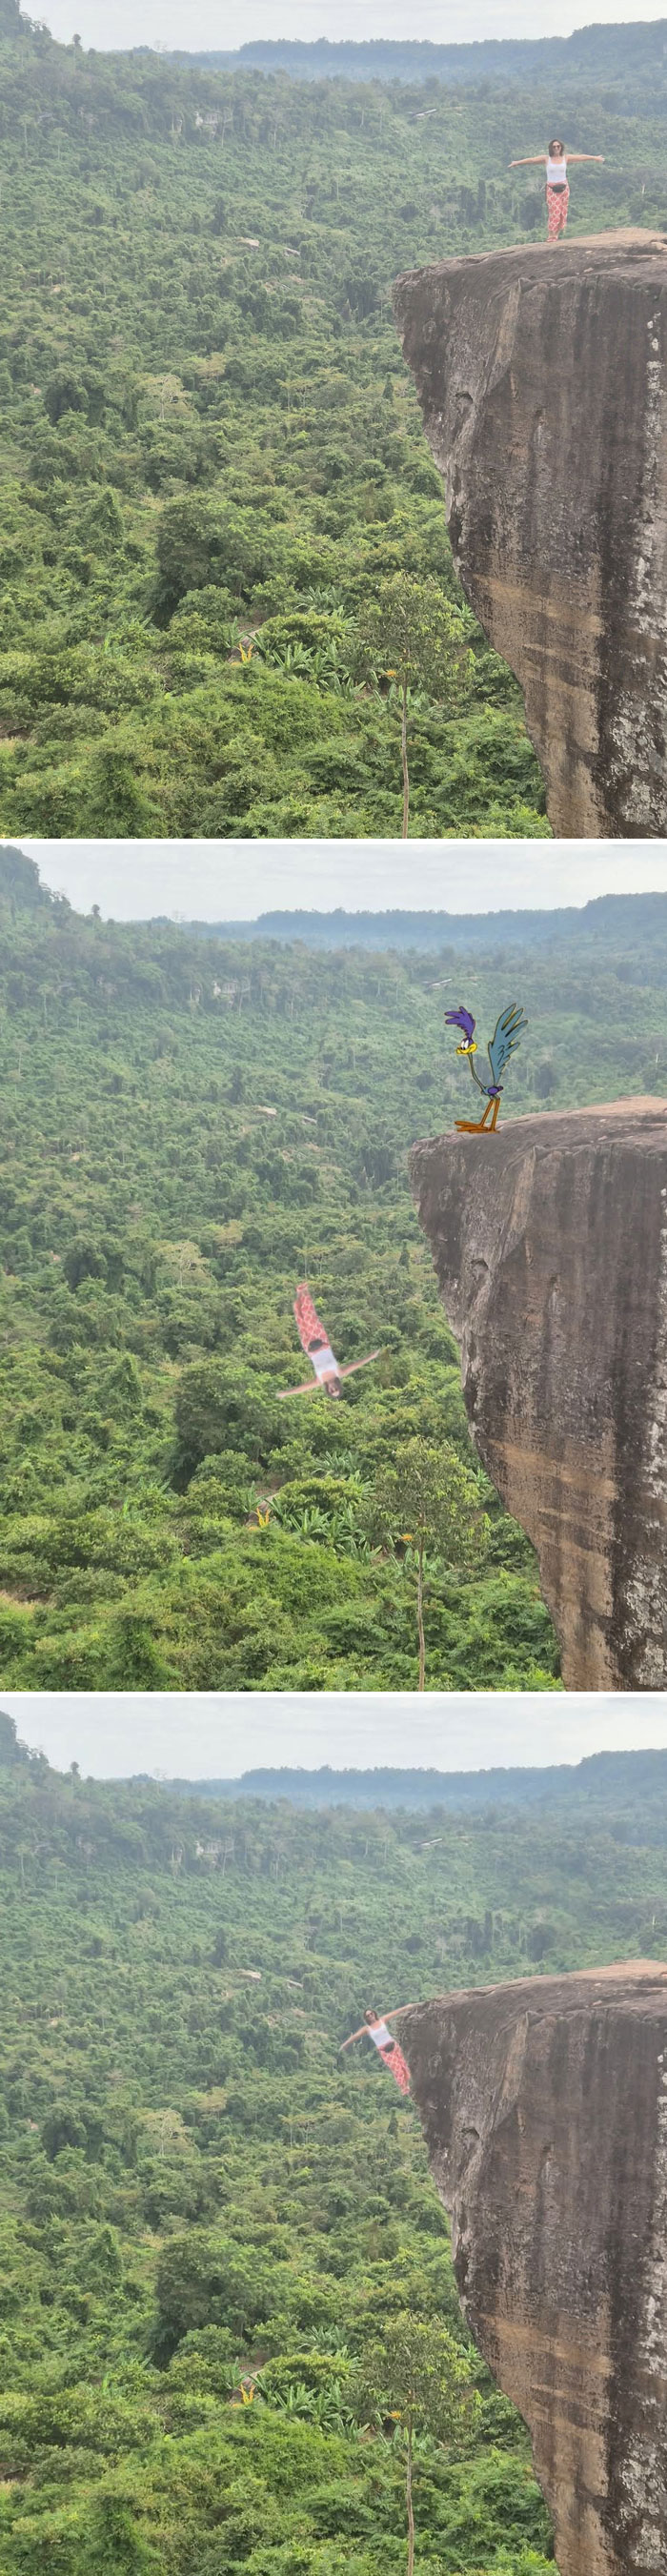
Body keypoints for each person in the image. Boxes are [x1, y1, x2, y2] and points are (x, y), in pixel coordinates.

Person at [509, 139, 604, 243]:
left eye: (558, 146)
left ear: (561, 147)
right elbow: (532, 160)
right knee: (554, 212)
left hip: (564, 188)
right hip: (551, 189)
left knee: (562, 212)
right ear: (551, 148)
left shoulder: (565, 158)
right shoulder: (546, 159)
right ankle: (551, 235)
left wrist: (594, 157)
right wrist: (517, 163)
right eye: (554, 147)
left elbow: (581, 157)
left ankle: (556, 235)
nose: (556, 148)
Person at [339, 2006, 412, 2096]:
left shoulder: (382, 2020)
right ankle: (404, 2089)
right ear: (366, 2018)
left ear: (374, 2013)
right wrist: (344, 2045)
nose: (370, 2016)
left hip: (394, 2046)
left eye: (371, 2014)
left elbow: (396, 2012)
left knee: (403, 2066)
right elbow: (355, 2037)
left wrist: (408, 2007)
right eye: (368, 2016)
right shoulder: (367, 2029)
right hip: (385, 2051)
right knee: (397, 2069)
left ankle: (408, 2086)